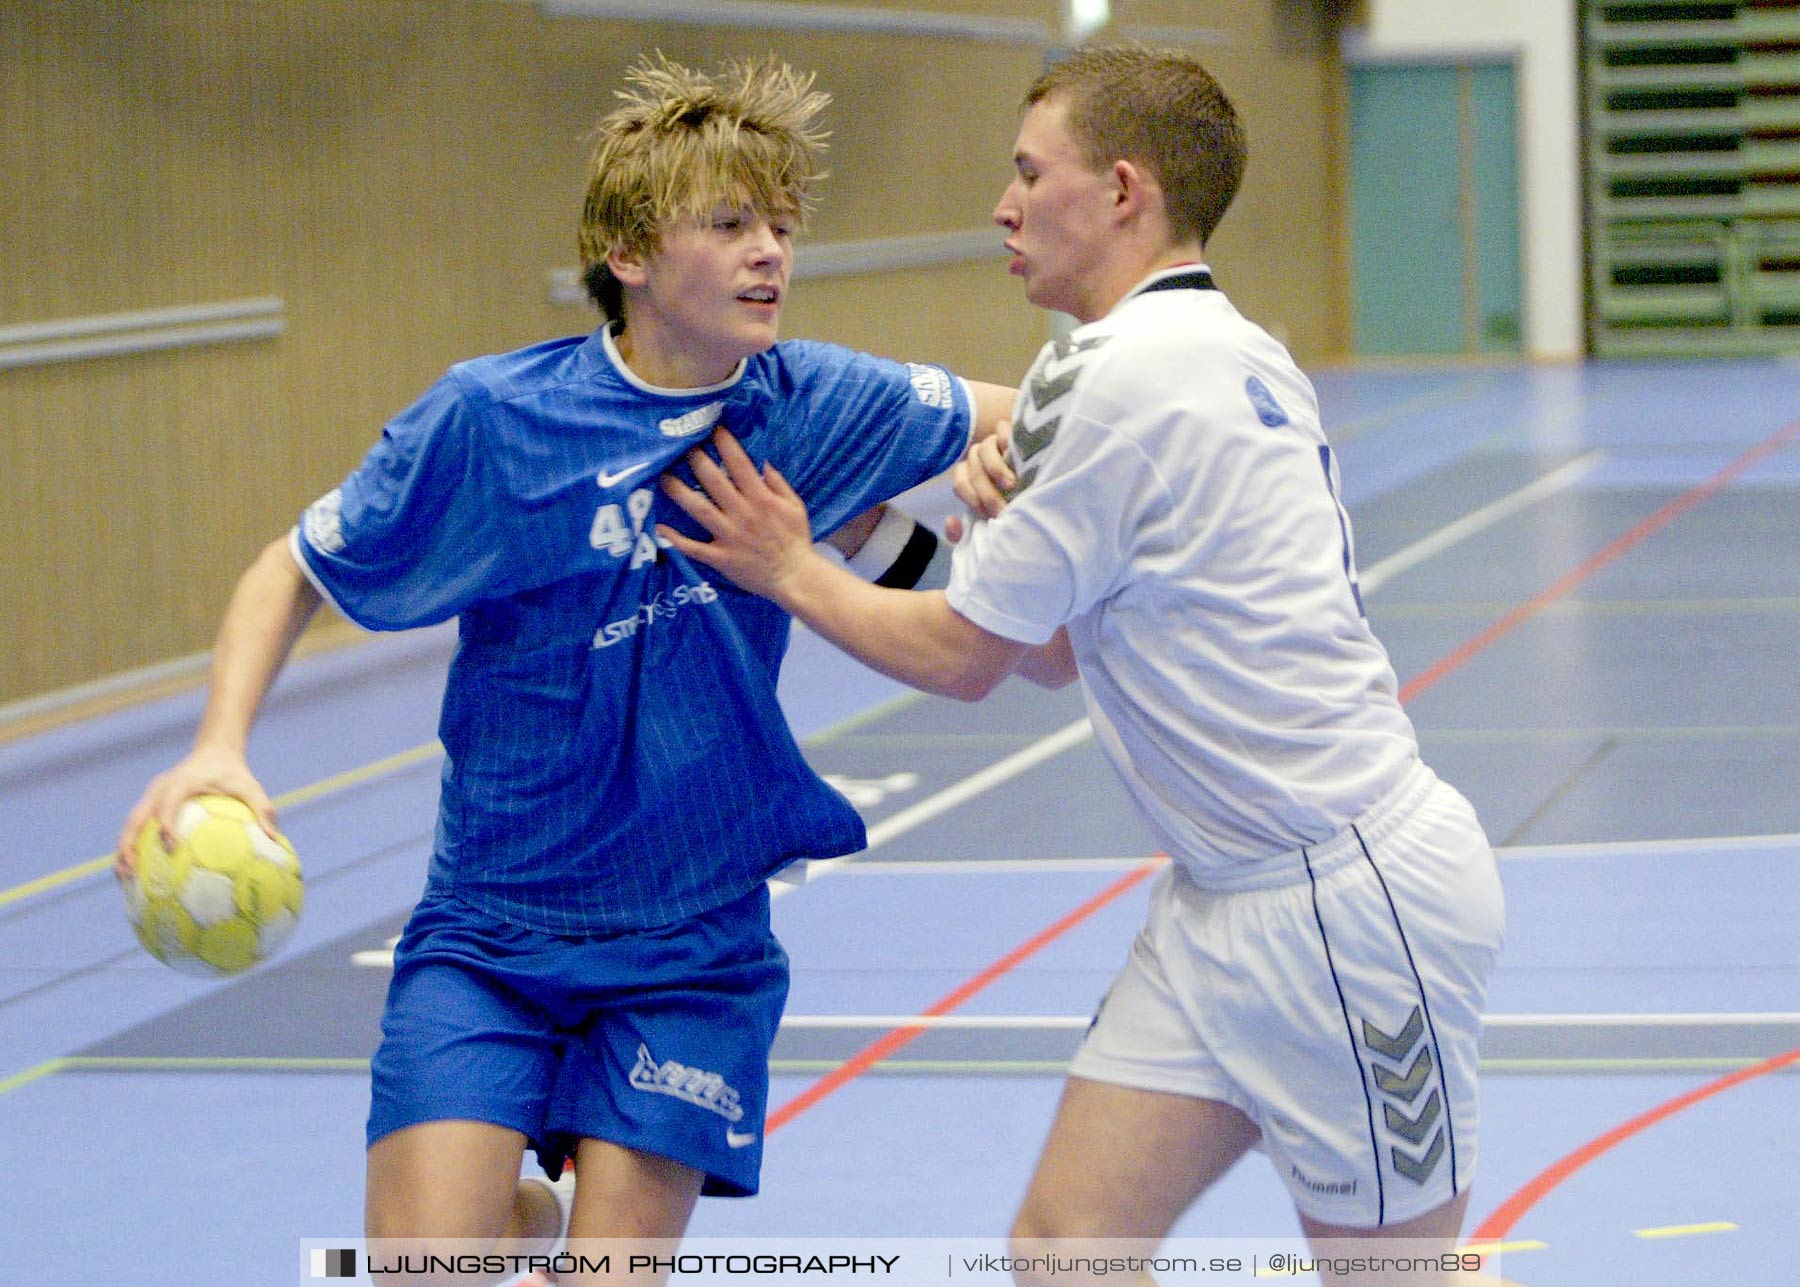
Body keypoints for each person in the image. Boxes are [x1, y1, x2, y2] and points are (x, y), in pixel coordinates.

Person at [116, 54, 1013, 1285]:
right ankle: (515, 1219)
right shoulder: (491, 420)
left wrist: (1001, 464)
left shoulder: (810, 402)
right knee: (424, 1266)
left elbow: (1050, 406)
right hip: (495, 927)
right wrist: (220, 746)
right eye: (730, 223)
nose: (771, 254)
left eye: (783, 226)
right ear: (631, 254)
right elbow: (294, 567)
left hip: (691, 941)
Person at [659, 45, 1506, 1286]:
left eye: (1027, 173)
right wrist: (867, 536)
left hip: (1344, 907)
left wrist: (787, 566)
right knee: (1066, 1252)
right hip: (1223, 905)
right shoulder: (1235, 347)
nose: (1004, 207)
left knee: (1406, 1282)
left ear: (1119, 190)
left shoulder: (1101, 379)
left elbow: (964, 661)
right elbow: (1052, 652)